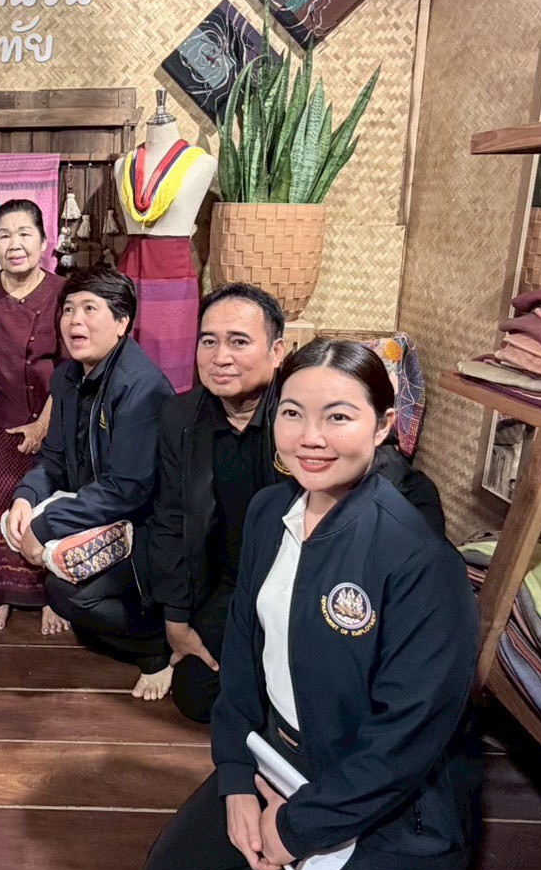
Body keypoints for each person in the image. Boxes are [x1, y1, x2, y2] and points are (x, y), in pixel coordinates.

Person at [144, 339, 479, 870]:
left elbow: (409, 732)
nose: (311, 438)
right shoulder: (269, 512)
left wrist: (299, 827)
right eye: (293, 413)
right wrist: (236, 775)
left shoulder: (419, 557)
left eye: (338, 417)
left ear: (383, 425)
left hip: (380, 800)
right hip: (280, 758)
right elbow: (244, 656)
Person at [150, 284, 448, 724]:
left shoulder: (299, 410)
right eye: (208, 341)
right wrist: (176, 619)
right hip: (237, 582)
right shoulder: (181, 417)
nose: (220, 357)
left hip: (317, 581)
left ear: (277, 351)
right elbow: (171, 518)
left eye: (239, 341)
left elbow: (390, 483)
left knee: (322, 696)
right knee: (196, 694)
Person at [6, 267, 174, 699]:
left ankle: (156, 648)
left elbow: (129, 489)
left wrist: (46, 525)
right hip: (98, 512)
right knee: (26, 538)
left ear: (122, 322)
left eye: (89, 309)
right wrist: (26, 498)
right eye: (68, 309)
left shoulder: (141, 386)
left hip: (146, 527)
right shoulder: (67, 377)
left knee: (69, 595)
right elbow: (53, 459)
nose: (74, 320)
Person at [0, 200, 66, 634]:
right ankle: (5, 593)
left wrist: (44, 425)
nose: (15, 244)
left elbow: (71, 367)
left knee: (52, 497)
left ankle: (53, 594)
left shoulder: (65, 293)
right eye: (4, 235)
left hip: (56, 414)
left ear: (44, 242)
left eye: (25, 233)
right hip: (1, 417)